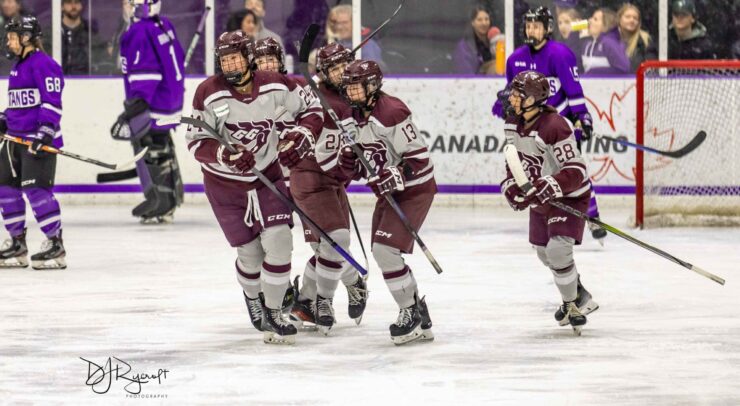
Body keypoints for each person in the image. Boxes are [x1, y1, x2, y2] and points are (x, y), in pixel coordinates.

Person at [186, 30, 324, 345]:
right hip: (225, 187)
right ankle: (253, 296)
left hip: (267, 177)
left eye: (235, 57)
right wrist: (225, 155)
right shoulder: (207, 92)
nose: (231, 64)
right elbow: (195, 142)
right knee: (250, 255)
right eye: (225, 59)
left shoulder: (274, 84)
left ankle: (274, 313)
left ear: (249, 57)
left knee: (279, 241)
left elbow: (312, 109)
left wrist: (303, 135)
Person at [253, 40, 368, 333]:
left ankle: (308, 300)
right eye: (260, 61)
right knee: (330, 242)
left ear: (280, 61)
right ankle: (330, 292)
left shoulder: (298, 88)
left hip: (325, 175)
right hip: (292, 178)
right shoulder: (253, 96)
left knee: (327, 244)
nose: (266, 66)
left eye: (271, 60)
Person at [337, 60, 434, 345]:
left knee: (384, 250)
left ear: (373, 86)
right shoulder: (350, 116)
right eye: (349, 87)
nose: (351, 93)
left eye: (357, 87)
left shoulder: (391, 112)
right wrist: (349, 163)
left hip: (414, 190)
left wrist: (394, 173)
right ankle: (419, 312)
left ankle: (410, 313)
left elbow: (419, 160)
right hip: (389, 192)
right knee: (383, 251)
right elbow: (363, 163)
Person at [492, 7, 606, 243]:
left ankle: (592, 217)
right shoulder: (515, 59)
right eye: (528, 25)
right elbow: (509, 94)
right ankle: (551, 218)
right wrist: (504, 105)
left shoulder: (560, 54)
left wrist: (581, 117)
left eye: (536, 25)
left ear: (547, 28)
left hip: (558, 123)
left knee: (570, 170)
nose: (531, 30)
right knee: (538, 170)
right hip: (531, 127)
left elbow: (573, 90)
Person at [501, 71, 599, 334]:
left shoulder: (556, 125)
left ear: (533, 99)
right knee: (544, 252)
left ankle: (572, 305)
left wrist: (550, 185)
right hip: (541, 197)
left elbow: (577, 169)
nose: (512, 98)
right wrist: (511, 185)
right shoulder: (512, 123)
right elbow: (514, 159)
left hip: (570, 196)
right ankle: (578, 293)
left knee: (557, 250)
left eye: (517, 94)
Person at [0, 15, 66, 270]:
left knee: (36, 192)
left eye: (12, 36)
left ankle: (55, 244)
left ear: (26, 38)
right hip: (14, 141)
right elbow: (20, 105)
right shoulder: (18, 65)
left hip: (37, 141)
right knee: (5, 189)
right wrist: (4, 119)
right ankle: (18, 244)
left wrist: (45, 132)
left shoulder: (44, 64)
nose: (8, 41)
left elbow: (52, 102)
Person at [110, 0, 185, 224]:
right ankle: (172, 198)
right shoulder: (164, 24)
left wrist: (133, 107)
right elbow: (178, 58)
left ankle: (159, 202)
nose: (125, 7)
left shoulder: (139, 31)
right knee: (164, 147)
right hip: (170, 100)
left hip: (153, 103)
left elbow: (146, 74)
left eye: (128, 3)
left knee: (148, 147)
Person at [327, 5, 385, 70]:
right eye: (337, 23)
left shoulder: (368, 45)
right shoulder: (334, 45)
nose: (339, 27)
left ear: (355, 22)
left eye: (344, 22)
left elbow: (371, 72)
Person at [576, 8, 630, 75]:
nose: (590, 20)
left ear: (606, 26)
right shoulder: (588, 43)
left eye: (595, 19)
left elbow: (623, 69)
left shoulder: (609, 43)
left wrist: (592, 73)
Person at [605, 4, 656, 73]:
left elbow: (651, 68)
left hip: (637, 82)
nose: (632, 20)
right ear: (619, 19)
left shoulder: (645, 41)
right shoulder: (609, 39)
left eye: (635, 18)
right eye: (627, 17)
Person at [61, 0, 103, 75]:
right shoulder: (52, 34)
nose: (73, 7)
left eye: (76, 2)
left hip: (86, 82)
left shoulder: (91, 33)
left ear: (81, 6)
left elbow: (101, 63)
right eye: (69, 2)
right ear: (61, 6)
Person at [453, 6, 497, 74]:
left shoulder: (495, 41)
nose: (484, 23)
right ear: (472, 22)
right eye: (479, 20)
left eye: (486, 19)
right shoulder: (464, 46)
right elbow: (465, 73)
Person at [0, 0, 24, 75]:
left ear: (18, 5)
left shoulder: (25, 25)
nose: (5, 5)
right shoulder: (2, 24)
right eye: (3, 2)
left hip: (16, 71)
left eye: (9, 1)